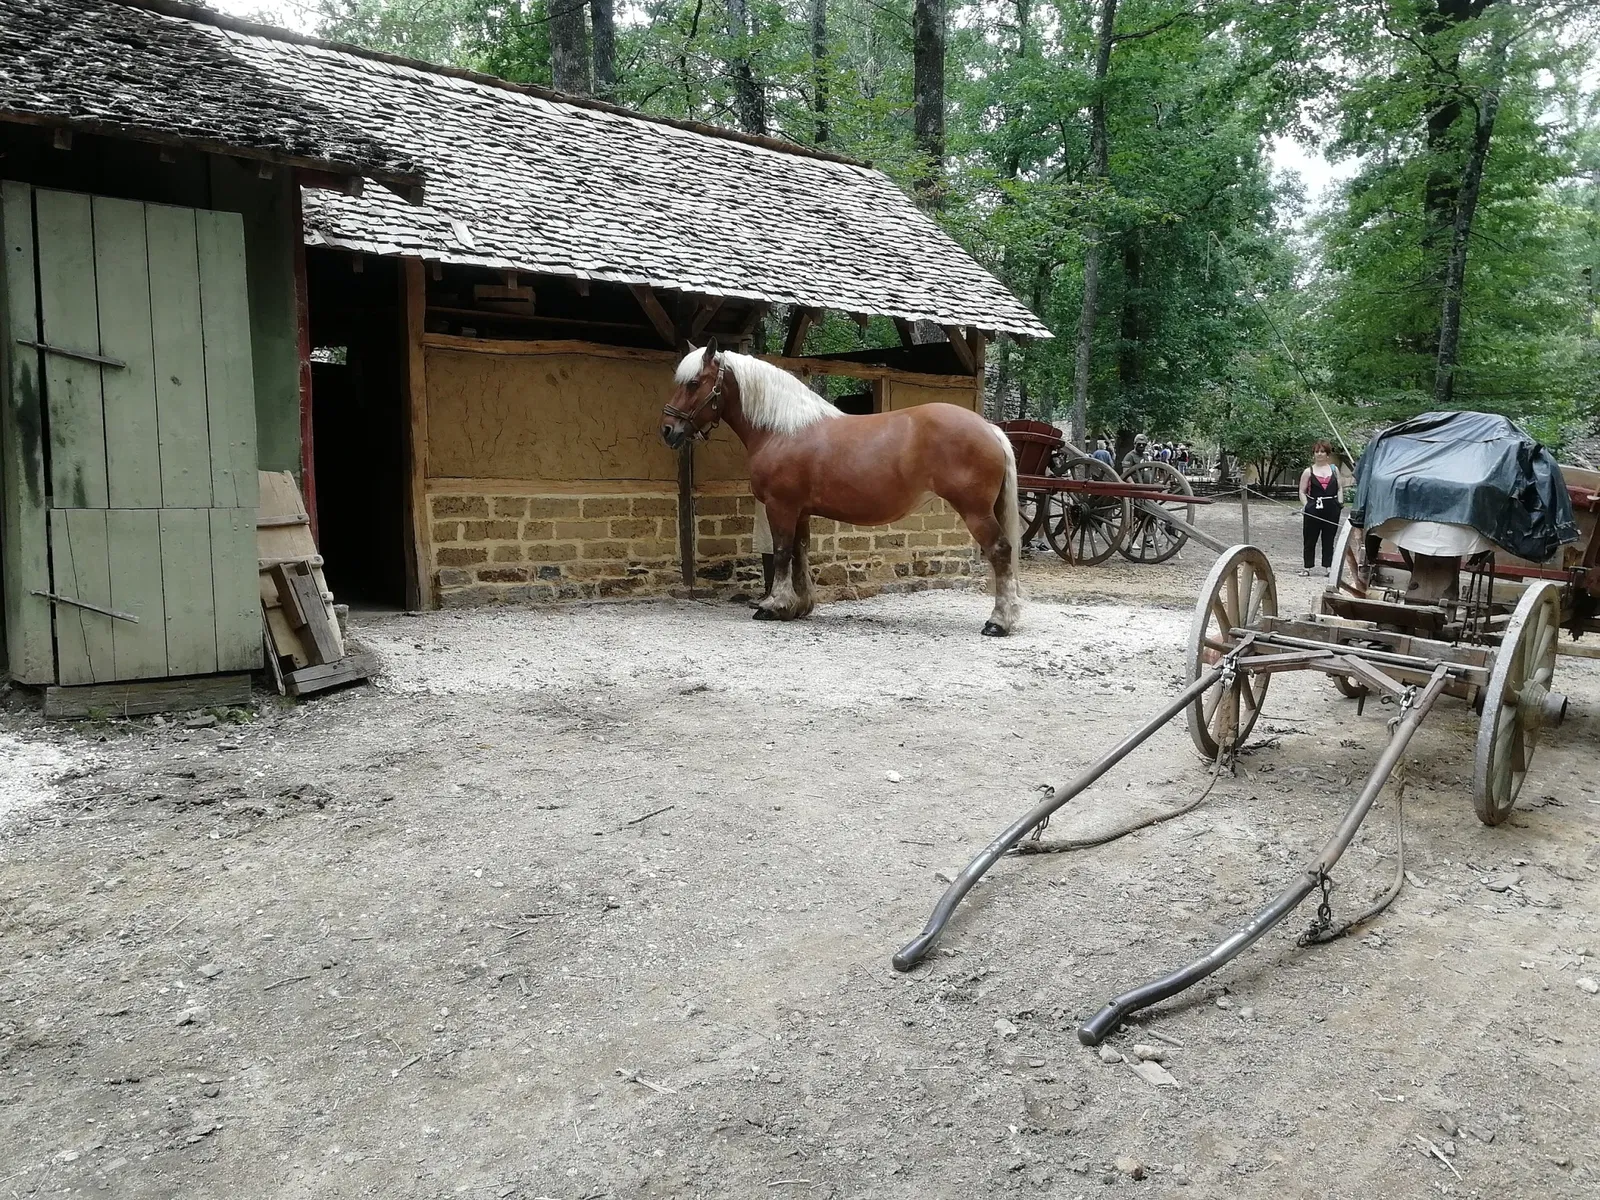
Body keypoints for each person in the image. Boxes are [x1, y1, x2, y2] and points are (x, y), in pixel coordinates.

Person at [1298, 441, 1343, 574]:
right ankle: (1307, 567)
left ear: (1327, 454)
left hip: (1331, 508)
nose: (1319, 454)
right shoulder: (1308, 472)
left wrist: (1339, 504)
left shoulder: (1334, 470)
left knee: (1329, 538)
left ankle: (1328, 567)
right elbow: (1302, 491)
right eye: (1317, 451)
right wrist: (1307, 506)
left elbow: (1339, 488)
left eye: (1322, 451)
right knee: (1310, 538)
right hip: (1313, 508)